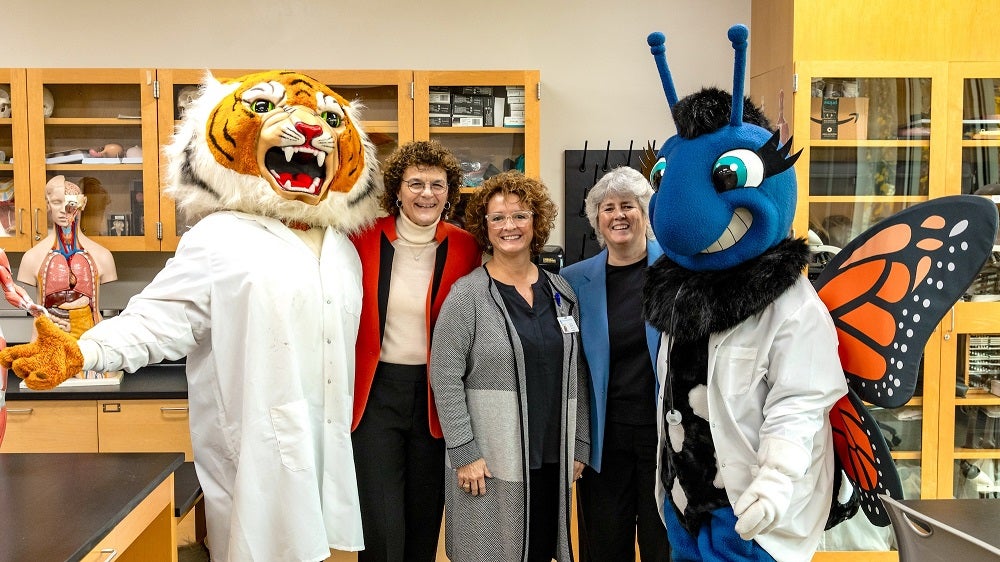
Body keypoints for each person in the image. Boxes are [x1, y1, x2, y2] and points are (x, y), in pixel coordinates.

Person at [430, 170, 590, 562]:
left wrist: (579, 443)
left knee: (537, 548)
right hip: (491, 456)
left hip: (552, 452)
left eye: (519, 215)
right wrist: (464, 452)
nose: (509, 226)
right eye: (497, 218)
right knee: (491, 550)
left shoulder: (562, 292)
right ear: (484, 228)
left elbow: (578, 372)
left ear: (536, 221)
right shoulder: (467, 295)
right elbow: (444, 376)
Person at [350, 140, 481, 562]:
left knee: (424, 523)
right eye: (416, 183)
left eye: (437, 185)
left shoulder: (466, 247)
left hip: (435, 397)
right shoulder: (361, 238)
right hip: (373, 396)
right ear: (398, 190)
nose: (427, 194)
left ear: (450, 191)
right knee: (380, 524)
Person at [560, 166, 669, 562]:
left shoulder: (678, 273)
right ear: (597, 220)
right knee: (604, 545)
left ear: (645, 212)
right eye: (608, 208)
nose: (618, 215)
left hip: (664, 438)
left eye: (629, 206)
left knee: (664, 546)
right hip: (604, 439)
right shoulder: (572, 281)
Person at [18, 175, 116, 341]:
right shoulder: (32, 258)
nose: (64, 209)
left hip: (91, 349)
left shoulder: (103, 257)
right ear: (47, 205)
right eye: (57, 202)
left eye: (70, 202)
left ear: (82, 204)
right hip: (46, 348)